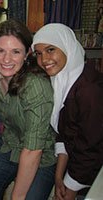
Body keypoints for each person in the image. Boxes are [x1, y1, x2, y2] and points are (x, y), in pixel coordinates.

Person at [0, 19, 56, 200]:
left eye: (16, 52)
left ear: (26, 54)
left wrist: (18, 196)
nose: (7, 59)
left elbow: (33, 150)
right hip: (9, 144)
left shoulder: (35, 85)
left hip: (41, 155)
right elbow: (2, 101)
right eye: (0, 51)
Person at [32, 23, 103, 200]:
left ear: (66, 47)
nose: (44, 59)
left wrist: (71, 187)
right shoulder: (63, 80)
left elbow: (91, 147)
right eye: (38, 53)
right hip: (77, 167)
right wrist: (59, 176)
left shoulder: (89, 89)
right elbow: (66, 133)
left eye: (50, 50)